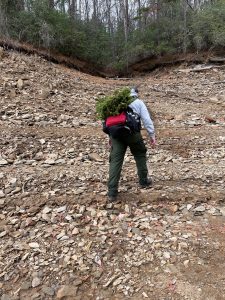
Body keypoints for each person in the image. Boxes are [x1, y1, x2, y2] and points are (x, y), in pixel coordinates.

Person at [107, 87, 156, 202]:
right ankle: (143, 181)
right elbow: (146, 120)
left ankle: (112, 192)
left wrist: (109, 137)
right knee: (140, 154)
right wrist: (152, 135)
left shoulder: (116, 102)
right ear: (136, 94)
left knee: (115, 160)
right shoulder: (138, 102)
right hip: (132, 133)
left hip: (116, 135)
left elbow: (109, 120)